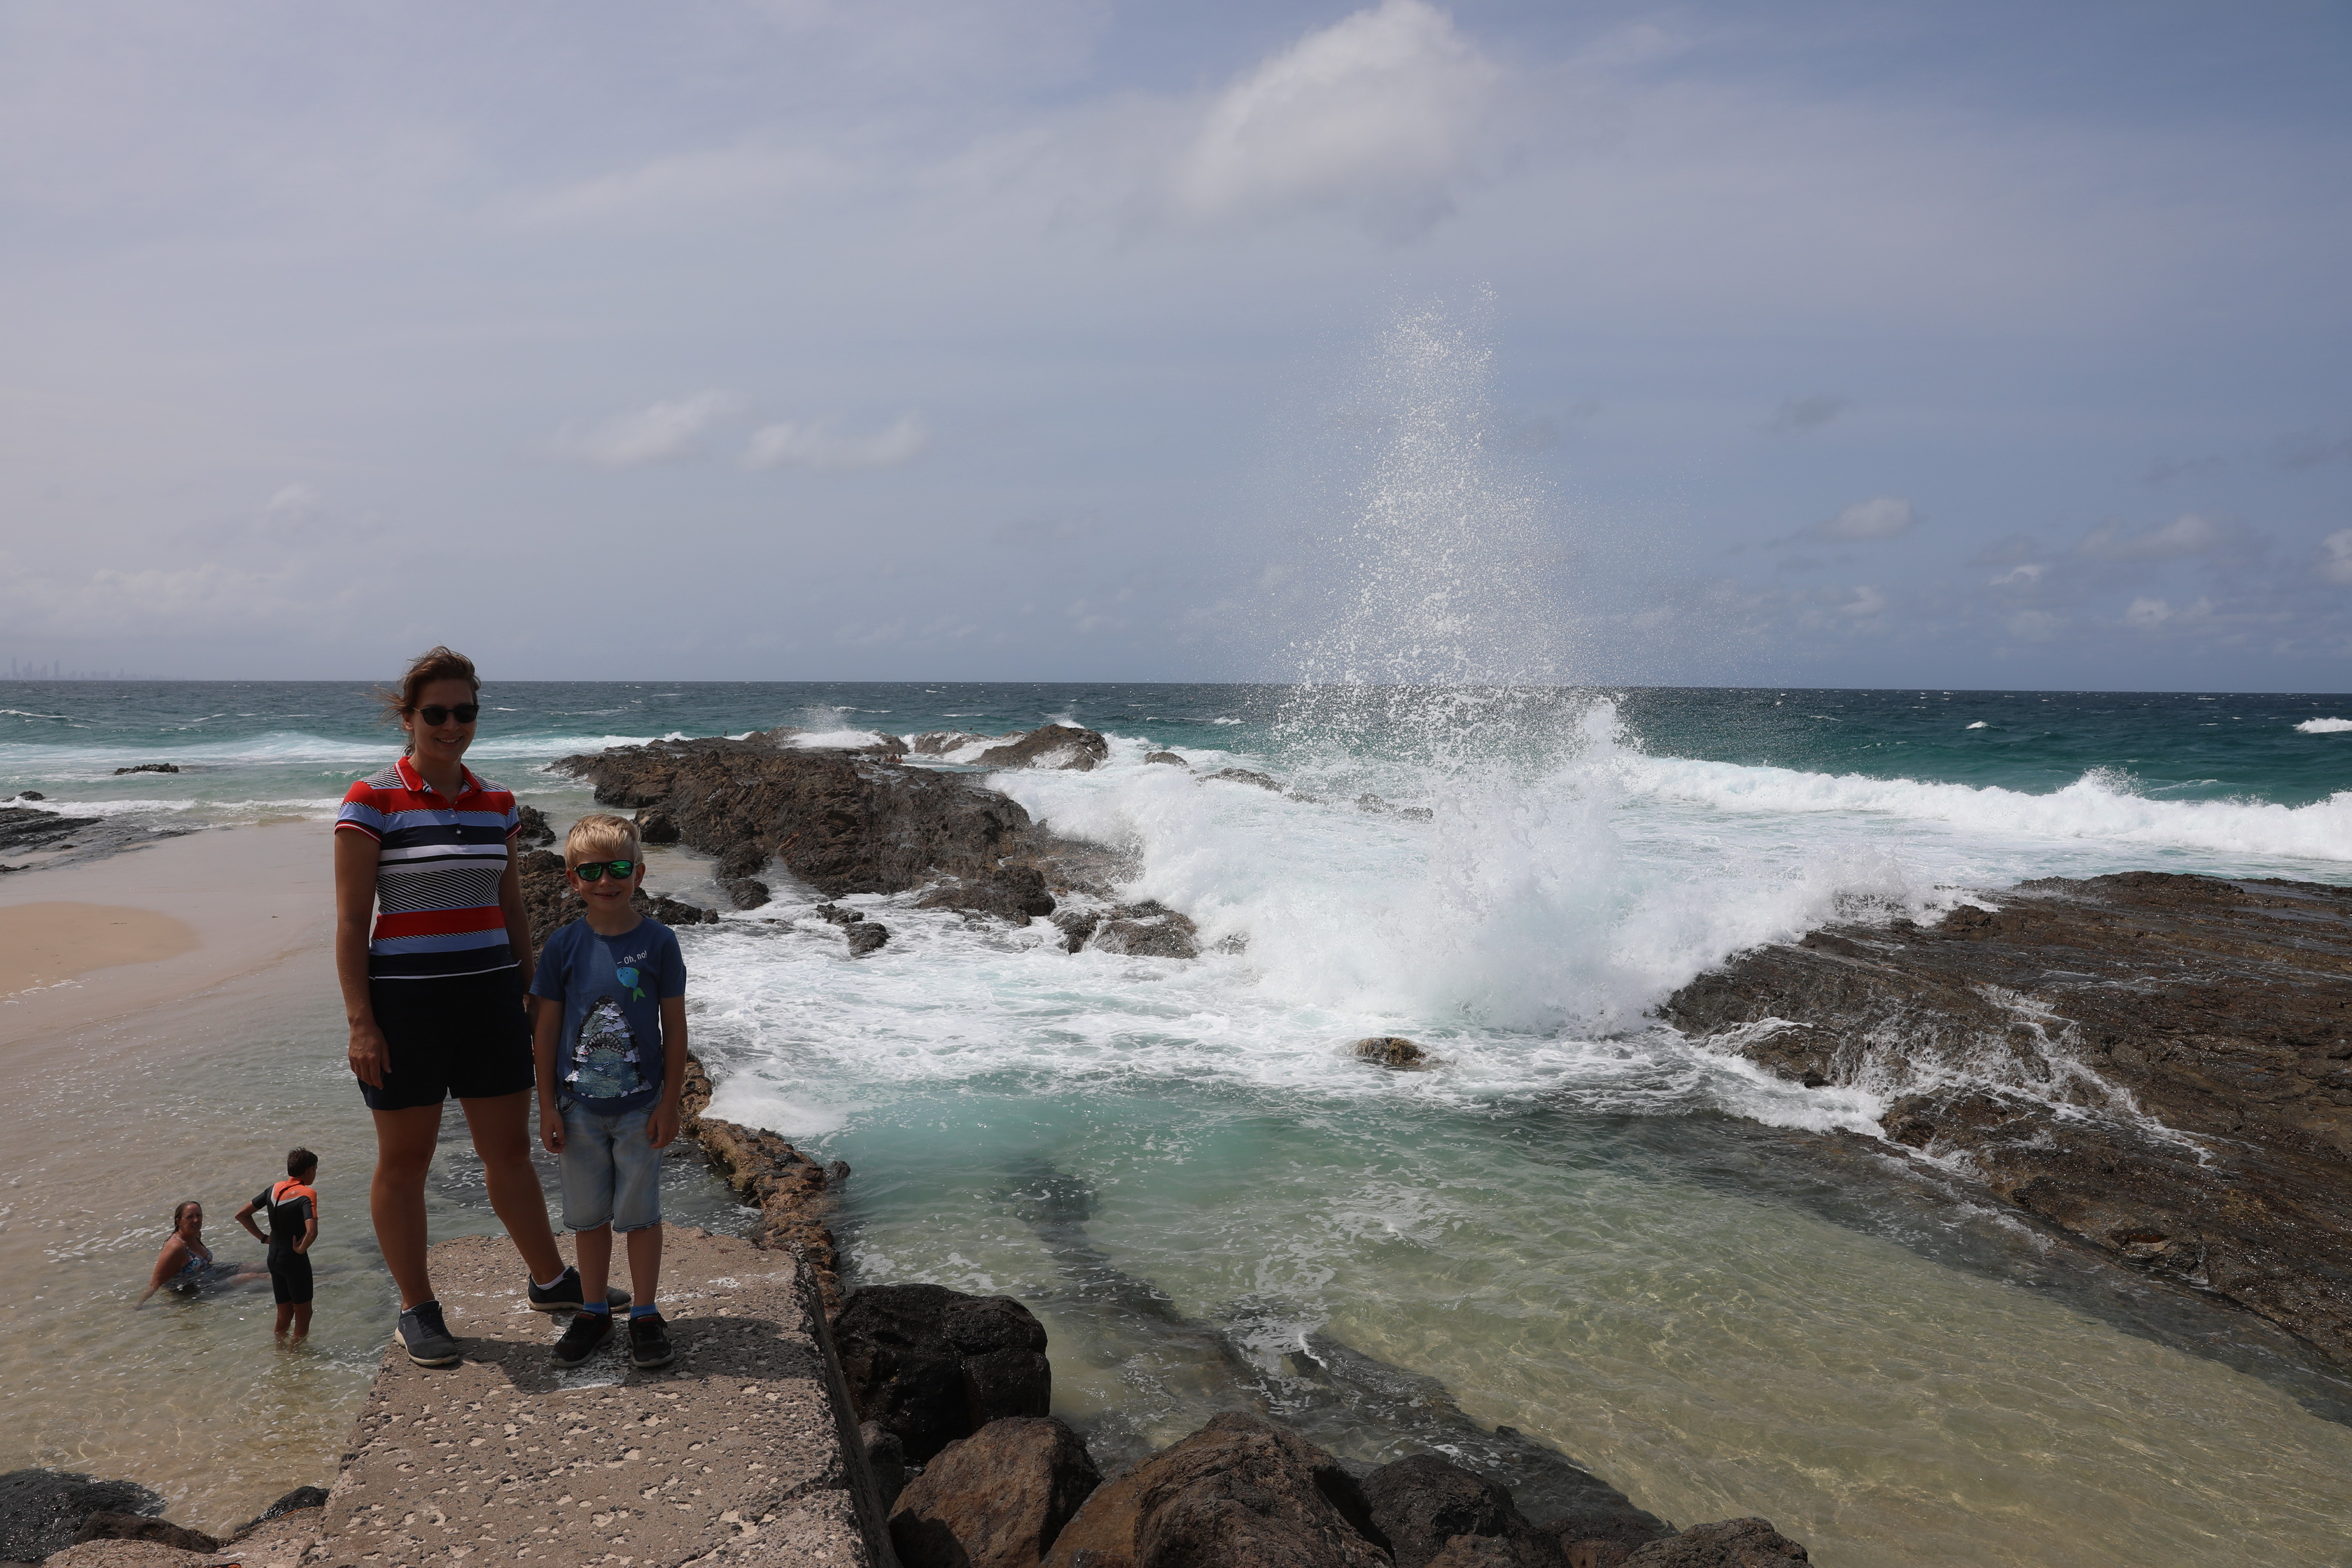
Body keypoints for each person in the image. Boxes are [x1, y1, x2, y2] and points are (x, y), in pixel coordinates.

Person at [335, 645, 624, 1368]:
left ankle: (551, 1280)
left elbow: (512, 907)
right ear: (408, 717)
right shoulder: (371, 801)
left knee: (509, 1153)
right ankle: (418, 1307)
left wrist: (532, 992)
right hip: (405, 1006)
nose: (452, 723)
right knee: (405, 1162)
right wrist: (361, 1021)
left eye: (465, 711)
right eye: (436, 712)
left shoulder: (498, 803)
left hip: (491, 996)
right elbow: (350, 921)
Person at [532, 813, 687, 1370]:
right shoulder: (563, 947)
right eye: (591, 870)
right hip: (576, 1110)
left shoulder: (660, 943)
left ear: (639, 872)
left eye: (618, 867)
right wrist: (547, 1103)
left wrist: (670, 1101)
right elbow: (545, 1029)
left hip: (641, 1108)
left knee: (640, 1215)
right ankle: (594, 1309)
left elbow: (675, 1027)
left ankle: (644, 1311)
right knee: (588, 1218)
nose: (606, 880)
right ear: (573, 880)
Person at [236, 1147, 321, 1339]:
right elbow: (312, 1231)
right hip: (294, 1261)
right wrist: (301, 1248)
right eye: (315, 1169)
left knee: (284, 1313)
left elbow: (242, 1215)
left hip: (274, 1258)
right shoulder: (307, 1193)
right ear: (309, 1170)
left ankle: (279, 1351)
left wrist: (264, 1238)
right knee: (304, 1314)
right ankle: (294, 1358)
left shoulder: (273, 1189)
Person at [136, 1200, 264, 1306]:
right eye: (190, 1217)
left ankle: (282, 1269)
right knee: (248, 1277)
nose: (196, 1220)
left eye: (199, 1215)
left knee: (254, 1266)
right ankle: (282, 1286)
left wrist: (223, 1274)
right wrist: (140, 1305)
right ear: (178, 1221)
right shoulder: (176, 1247)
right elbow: (156, 1283)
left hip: (208, 1274)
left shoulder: (196, 1234)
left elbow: (201, 1262)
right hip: (192, 1288)